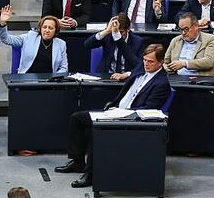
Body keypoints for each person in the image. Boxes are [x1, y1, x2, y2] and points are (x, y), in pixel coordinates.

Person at [55, 44, 170, 188]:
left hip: (129, 119)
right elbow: (130, 61)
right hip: (116, 111)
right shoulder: (142, 68)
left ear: (161, 62)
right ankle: (77, 162)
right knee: (77, 118)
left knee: (95, 129)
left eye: (151, 61)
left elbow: (146, 110)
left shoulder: (161, 83)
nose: (146, 64)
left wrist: (121, 113)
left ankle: (90, 174)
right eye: (145, 60)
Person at [0, 5, 68, 74]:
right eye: (44, 27)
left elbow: (64, 68)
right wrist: (3, 23)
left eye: (50, 28)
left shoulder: (61, 44)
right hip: (27, 79)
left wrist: (55, 78)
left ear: (56, 31)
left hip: (50, 81)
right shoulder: (29, 37)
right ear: (40, 28)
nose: (47, 30)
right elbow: (6, 39)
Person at [83, 13, 143, 80]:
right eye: (116, 32)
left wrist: (126, 74)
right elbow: (87, 44)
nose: (118, 34)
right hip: (107, 76)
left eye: (121, 32)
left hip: (127, 78)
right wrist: (107, 31)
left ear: (128, 29)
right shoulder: (109, 36)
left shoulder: (138, 42)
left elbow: (141, 66)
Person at [166, 12, 214, 76]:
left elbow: (209, 62)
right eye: (180, 29)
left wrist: (184, 63)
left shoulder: (211, 39)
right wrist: (168, 69)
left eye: (186, 29)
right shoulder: (175, 40)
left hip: (203, 80)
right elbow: (165, 62)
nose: (183, 33)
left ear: (196, 26)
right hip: (178, 79)